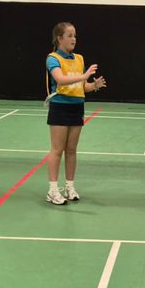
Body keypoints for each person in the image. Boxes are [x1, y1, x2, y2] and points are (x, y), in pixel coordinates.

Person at [44, 22, 106, 205]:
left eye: (75, 35)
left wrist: (93, 86)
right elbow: (61, 79)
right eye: (69, 35)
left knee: (71, 150)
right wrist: (84, 76)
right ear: (59, 38)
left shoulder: (79, 58)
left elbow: (80, 86)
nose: (73, 39)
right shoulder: (53, 58)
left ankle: (69, 187)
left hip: (77, 107)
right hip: (60, 106)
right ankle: (52, 190)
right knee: (57, 150)